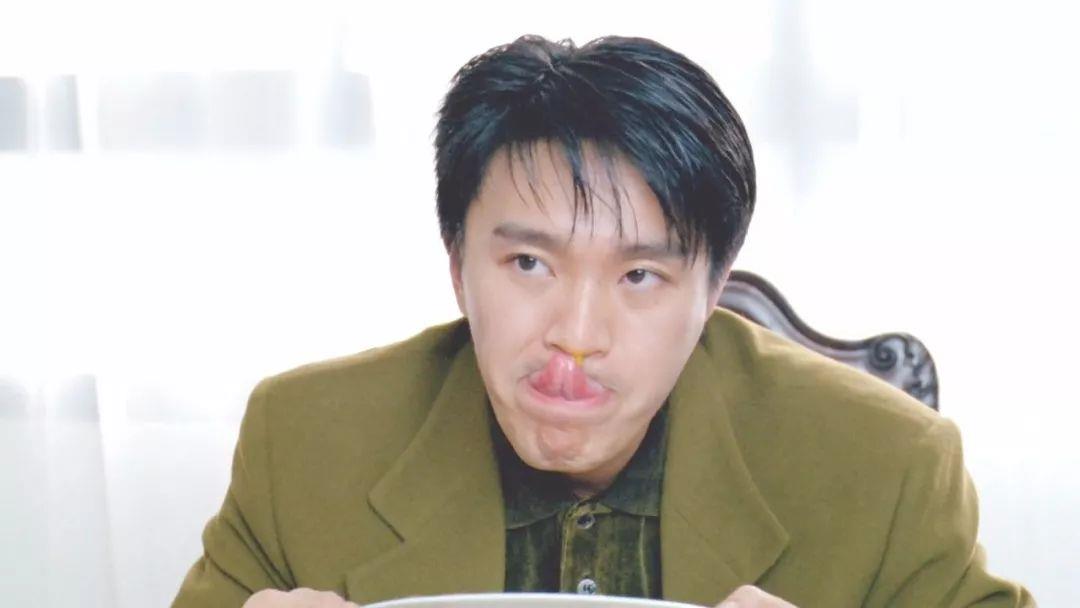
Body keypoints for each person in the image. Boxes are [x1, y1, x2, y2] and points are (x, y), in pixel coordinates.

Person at [172, 35, 1033, 607]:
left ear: (713, 289)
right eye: (529, 264)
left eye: (641, 275)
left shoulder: (887, 466)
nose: (576, 335)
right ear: (457, 264)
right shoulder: (303, 443)